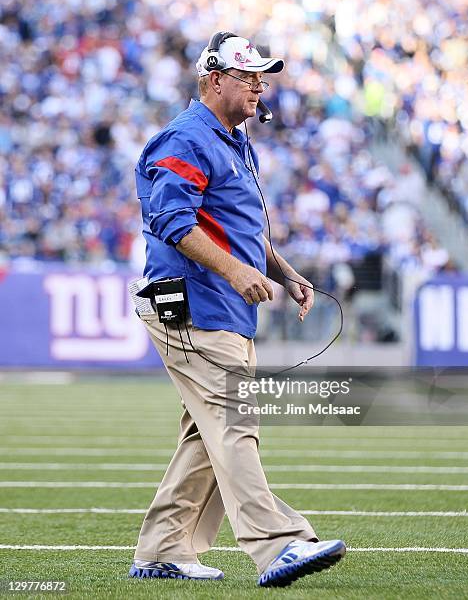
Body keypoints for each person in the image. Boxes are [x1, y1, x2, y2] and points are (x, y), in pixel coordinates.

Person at [128, 32, 345, 588]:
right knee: (233, 421)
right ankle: (279, 545)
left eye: (261, 77)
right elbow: (172, 222)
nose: (257, 85)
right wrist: (233, 269)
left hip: (223, 306)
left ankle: (164, 550)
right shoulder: (186, 138)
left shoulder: (231, 139)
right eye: (245, 75)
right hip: (193, 305)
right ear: (212, 78)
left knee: (207, 434)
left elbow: (244, 233)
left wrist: (285, 273)